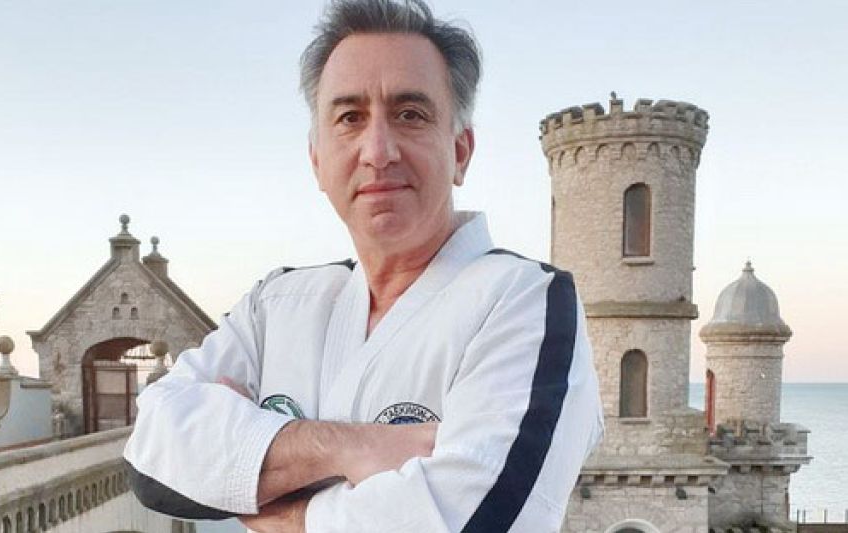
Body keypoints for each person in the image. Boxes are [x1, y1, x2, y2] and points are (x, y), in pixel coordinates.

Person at [123, 1, 603, 531]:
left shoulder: (526, 303)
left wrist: (266, 491)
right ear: (317, 160)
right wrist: (350, 447)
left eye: (410, 114)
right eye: (350, 118)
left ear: (461, 151)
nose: (378, 151)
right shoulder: (277, 304)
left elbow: (470, 518)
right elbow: (152, 458)